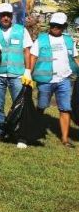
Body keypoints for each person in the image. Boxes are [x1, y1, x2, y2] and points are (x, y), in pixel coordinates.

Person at [28, 12, 78, 148]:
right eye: (53, 25)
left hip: (64, 80)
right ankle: (35, 131)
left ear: (64, 26)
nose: (55, 27)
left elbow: (75, 58)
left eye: (59, 26)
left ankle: (65, 139)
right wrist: (28, 74)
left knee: (65, 108)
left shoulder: (68, 40)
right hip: (45, 80)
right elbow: (33, 57)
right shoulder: (41, 39)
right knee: (41, 107)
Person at [0, 2, 32, 144]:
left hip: (17, 74)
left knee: (19, 105)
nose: (5, 18)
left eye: (8, 15)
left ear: (12, 16)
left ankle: (20, 135)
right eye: (2, 15)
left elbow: (27, 51)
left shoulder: (21, 30)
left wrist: (28, 71)